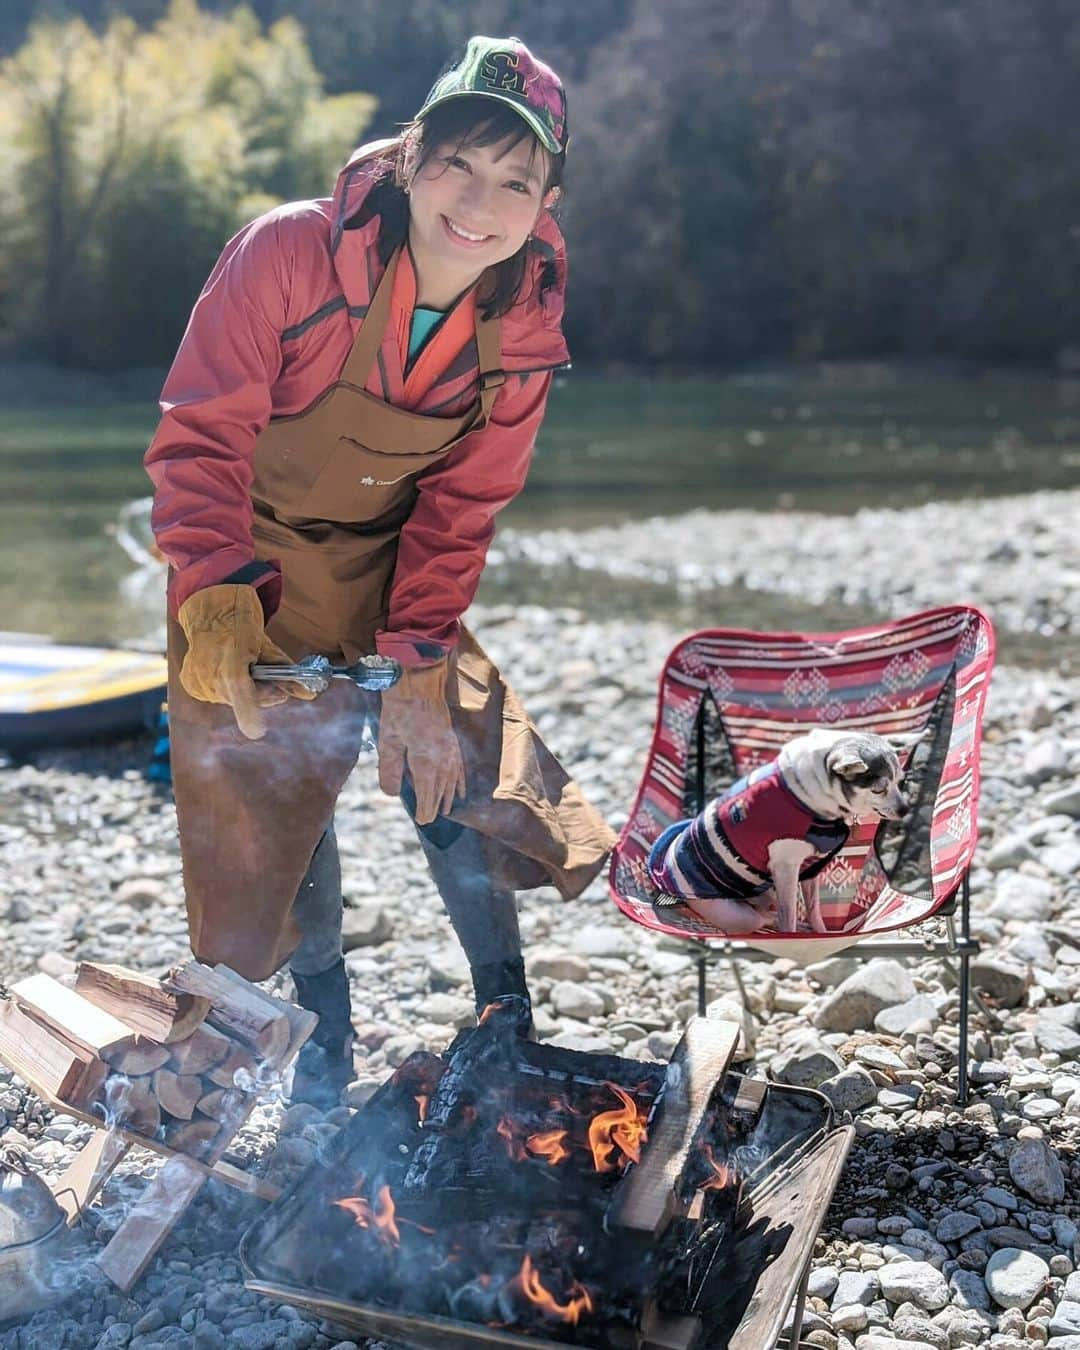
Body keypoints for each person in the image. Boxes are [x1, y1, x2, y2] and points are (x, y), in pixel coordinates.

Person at [144, 36, 615, 1105]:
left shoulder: (524, 329)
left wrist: (415, 669)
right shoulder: (287, 255)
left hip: (399, 569)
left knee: (459, 770)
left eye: (515, 180)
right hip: (245, 573)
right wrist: (216, 593)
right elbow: (201, 436)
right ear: (409, 159)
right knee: (271, 809)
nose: (478, 202)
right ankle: (323, 1047)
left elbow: (461, 507)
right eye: (457, 163)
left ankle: (506, 1020)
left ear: (545, 204)